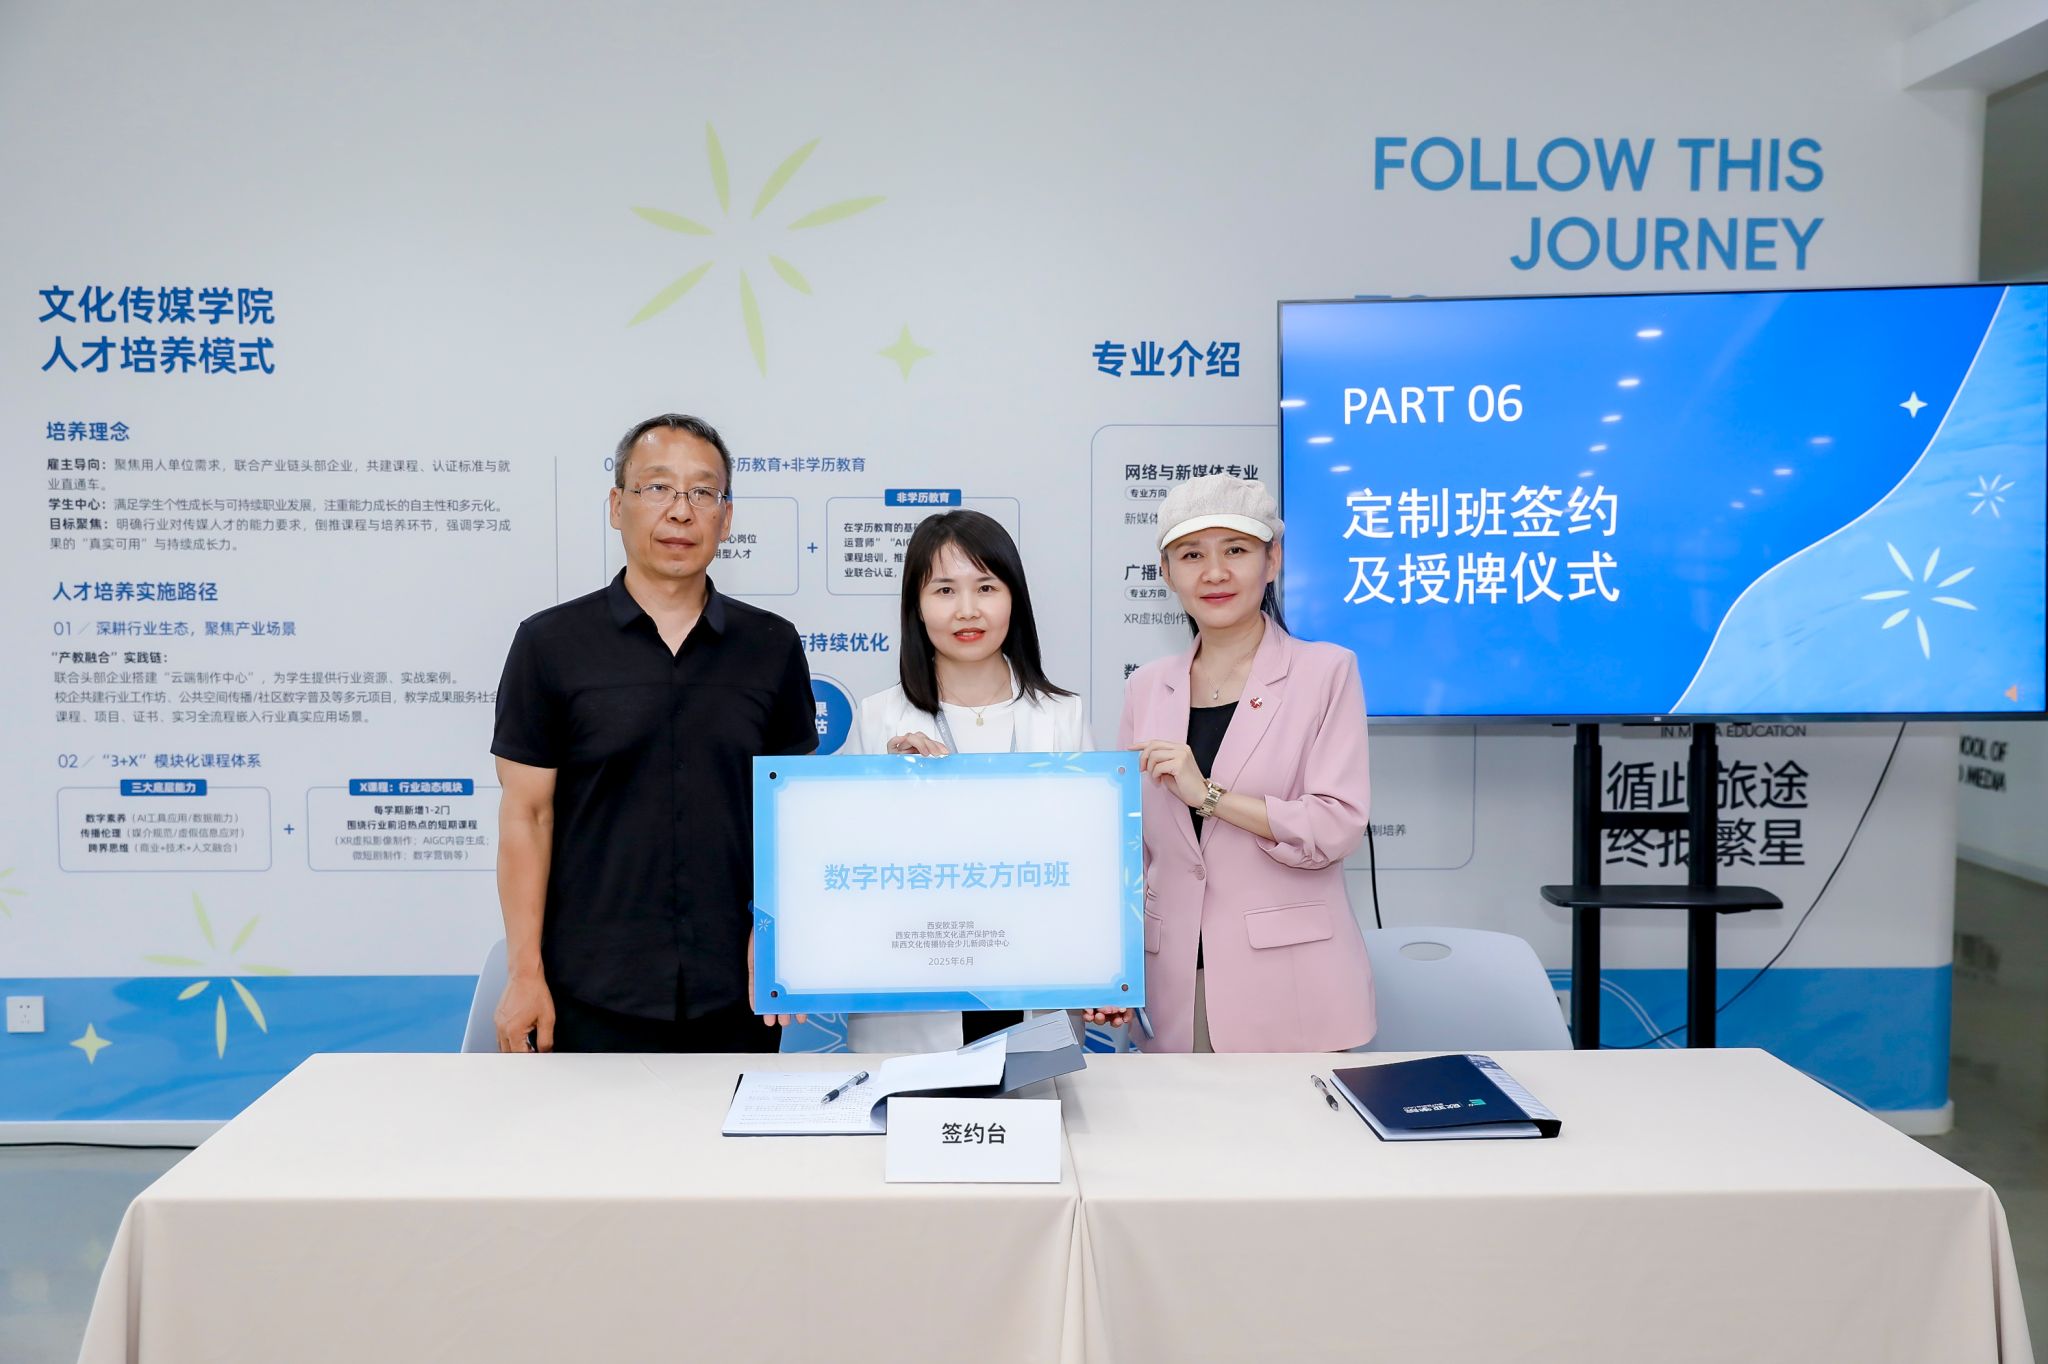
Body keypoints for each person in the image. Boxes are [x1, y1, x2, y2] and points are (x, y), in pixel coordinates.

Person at [489, 413, 817, 1053]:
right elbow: (527, 816)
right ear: (617, 506)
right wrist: (525, 973)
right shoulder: (550, 645)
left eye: (702, 492)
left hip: (738, 989)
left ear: (726, 516)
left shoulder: (771, 646)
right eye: (658, 487)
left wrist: (778, 936)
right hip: (588, 991)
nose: (681, 511)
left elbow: (794, 813)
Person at [1086, 474, 1375, 1052]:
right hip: (1174, 985)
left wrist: (1209, 796)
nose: (1214, 573)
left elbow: (1336, 824)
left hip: (1292, 984)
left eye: (1236, 551)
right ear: (1166, 573)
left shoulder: (1326, 672)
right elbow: (1126, 847)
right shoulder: (1147, 687)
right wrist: (1106, 965)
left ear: (1273, 561)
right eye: (1192, 555)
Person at [844, 510, 1087, 1052]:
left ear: (1014, 598)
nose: (967, 610)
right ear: (916, 605)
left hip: (1036, 977)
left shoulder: (1062, 716)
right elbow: (850, 869)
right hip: (912, 996)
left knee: (1032, 1099)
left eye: (986, 587)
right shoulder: (878, 718)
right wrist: (886, 787)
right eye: (944, 590)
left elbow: (1090, 863)